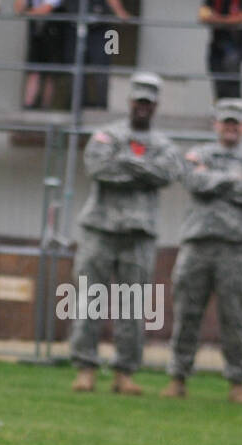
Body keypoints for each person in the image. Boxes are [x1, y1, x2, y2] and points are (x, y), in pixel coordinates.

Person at [69, 73, 182, 395]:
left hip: (139, 235)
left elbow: (167, 174)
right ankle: (85, 369)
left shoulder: (165, 145)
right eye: (138, 100)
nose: (142, 106)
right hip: (99, 229)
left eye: (148, 102)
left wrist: (126, 163)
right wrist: (142, 167)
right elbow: (99, 169)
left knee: (132, 306)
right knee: (89, 301)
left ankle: (124, 373)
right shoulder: (106, 135)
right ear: (130, 101)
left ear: (155, 105)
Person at [162, 99, 242, 403]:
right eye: (225, 122)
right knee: (186, 312)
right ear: (216, 125)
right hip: (197, 246)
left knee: (234, 316)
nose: (231, 127)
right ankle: (178, 377)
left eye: (236, 122)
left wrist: (214, 180)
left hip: (235, 250)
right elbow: (193, 181)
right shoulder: (198, 153)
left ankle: (237, 382)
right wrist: (232, 178)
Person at [57, 0, 132, 110]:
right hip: (74, 27)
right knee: (74, 67)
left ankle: (102, 106)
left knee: (101, 67)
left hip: (100, 27)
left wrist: (120, 12)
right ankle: (79, 105)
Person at [200, 0, 242, 101]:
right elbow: (203, 16)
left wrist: (218, 20)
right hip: (217, 45)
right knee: (218, 83)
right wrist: (228, 21)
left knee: (232, 85)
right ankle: (222, 111)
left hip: (235, 44)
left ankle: (233, 112)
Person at [17, 0, 65, 110]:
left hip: (54, 33)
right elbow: (18, 8)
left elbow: (44, 10)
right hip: (36, 34)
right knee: (33, 71)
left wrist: (26, 13)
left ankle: (45, 107)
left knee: (50, 73)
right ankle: (28, 105)